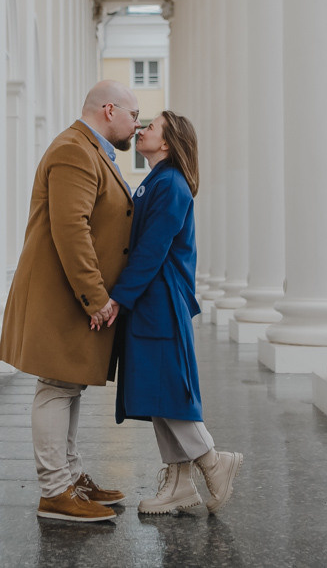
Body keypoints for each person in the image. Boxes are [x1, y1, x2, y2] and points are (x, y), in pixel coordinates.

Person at [0, 80, 141, 522]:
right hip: (66, 296)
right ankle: (54, 490)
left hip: (70, 295)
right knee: (57, 386)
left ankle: (71, 478)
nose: (137, 126)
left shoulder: (89, 149)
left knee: (68, 384)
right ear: (110, 109)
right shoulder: (75, 150)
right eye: (134, 116)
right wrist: (96, 297)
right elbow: (71, 228)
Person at [100, 111, 243, 514]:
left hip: (159, 301)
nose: (141, 129)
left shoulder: (171, 185)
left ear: (166, 142)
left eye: (151, 127)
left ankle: (214, 461)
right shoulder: (158, 182)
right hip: (152, 301)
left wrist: (118, 298)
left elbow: (151, 251)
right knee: (158, 391)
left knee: (171, 393)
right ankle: (179, 483)